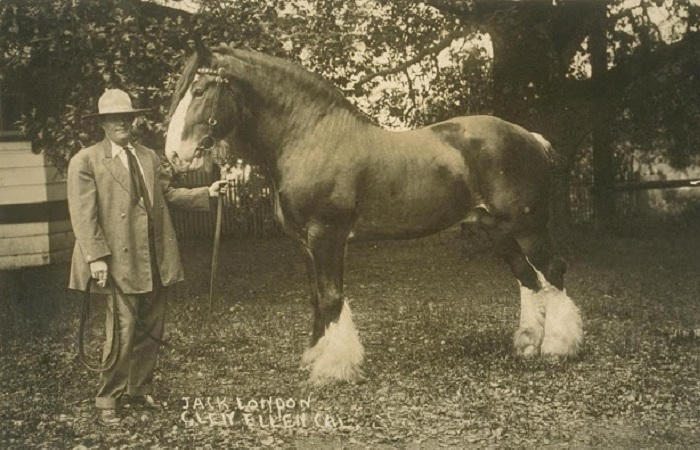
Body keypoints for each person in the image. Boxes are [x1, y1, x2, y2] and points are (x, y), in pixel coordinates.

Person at [67, 88, 227, 427]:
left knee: (152, 325)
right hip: (117, 259)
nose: (121, 123)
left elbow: (166, 195)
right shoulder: (86, 161)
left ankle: (139, 389)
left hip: (155, 256)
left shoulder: (148, 156)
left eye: (126, 117)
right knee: (123, 329)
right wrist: (96, 257)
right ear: (103, 124)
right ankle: (109, 396)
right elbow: (84, 216)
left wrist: (206, 193)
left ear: (133, 120)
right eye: (114, 118)